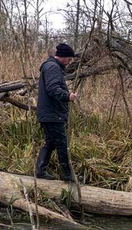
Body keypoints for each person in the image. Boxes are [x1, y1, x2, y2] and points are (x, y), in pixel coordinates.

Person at [35, 43, 79, 181]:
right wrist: (67, 96)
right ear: (63, 57)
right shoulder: (53, 68)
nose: (69, 62)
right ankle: (68, 175)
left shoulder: (50, 66)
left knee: (51, 143)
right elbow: (53, 89)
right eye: (69, 59)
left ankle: (40, 170)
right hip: (53, 115)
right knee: (61, 143)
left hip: (48, 114)